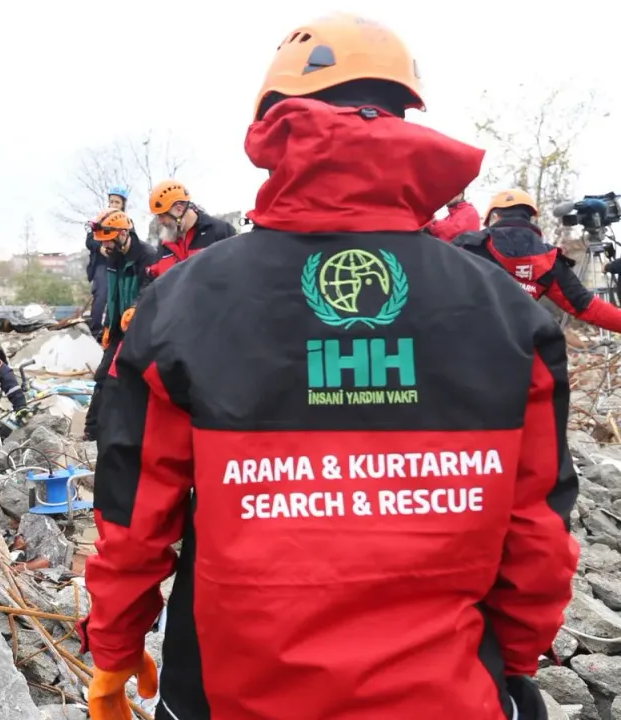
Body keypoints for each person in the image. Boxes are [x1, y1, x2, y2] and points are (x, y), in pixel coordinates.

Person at [81, 13, 577, 720]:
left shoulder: (184, 301)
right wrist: (516, 662)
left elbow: (134, 521)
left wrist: (115, 646)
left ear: (273, 121)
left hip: (228, 697)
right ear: (407, 115)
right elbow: (539, 531)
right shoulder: (506, 312)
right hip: (446, 696)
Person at [455, 190, 621, 334]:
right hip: (516, 350)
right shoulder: (550, 260)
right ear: (530, 219)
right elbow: (588, 307)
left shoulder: (468, 246)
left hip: (462, 346)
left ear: (495, 217)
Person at [82, 209, 155, 442]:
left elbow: (150, 288)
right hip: (117, 330)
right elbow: (111, 296)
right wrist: (107, 326)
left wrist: (136, 307)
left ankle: (137, 431)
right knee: (103, 377)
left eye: (108, 240)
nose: (105, 246)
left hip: (140, 330)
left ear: (122, 233)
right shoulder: (112, 257)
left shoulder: (147, 256)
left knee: (136, 381)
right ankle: (92, 430)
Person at [147, 179, 237, 279]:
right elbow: (152, 284)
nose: (160, 221)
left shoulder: (220, 232)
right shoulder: (164, 246)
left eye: (162, 216)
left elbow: (237, 276)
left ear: (179, 209)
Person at [87, 186, 137, 339]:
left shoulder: (127, 222)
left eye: (117, 202)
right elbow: (90, 241)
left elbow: (133, 241)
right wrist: (100, 248)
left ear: (123, 204)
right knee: (102, 295)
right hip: (103, 264)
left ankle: (121, 329)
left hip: (120, 264)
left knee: (122, 296)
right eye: (111, 202)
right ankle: (96, 332)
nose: (114, 205)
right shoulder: (101, 219)